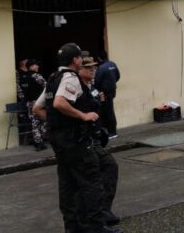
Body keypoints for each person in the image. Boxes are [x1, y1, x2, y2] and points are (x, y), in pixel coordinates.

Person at [41, 44, 121, 233]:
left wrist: (58, 122)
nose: (92, 69)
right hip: (76, 139)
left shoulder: (53, 78)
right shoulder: (70, 77)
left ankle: (73, 227)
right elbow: (59, 103)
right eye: (85, 63)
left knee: (68, 184)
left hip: (60, 138)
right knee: (91, 181)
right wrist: (82, 116)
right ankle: (95, 226)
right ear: (75, 60)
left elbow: (39, 108)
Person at [19, 59, 48, 151]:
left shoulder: (23, 77)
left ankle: (38, 142)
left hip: (29, 103)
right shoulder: (36, 76)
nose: (38, 66)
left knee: (34, 123)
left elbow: (22, 91)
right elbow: (47, 86)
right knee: (45, 120)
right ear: (31, 66)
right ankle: (41, 140)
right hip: (39, 103)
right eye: (36, 65)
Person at [95, 51, 121, 137]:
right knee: (110, 110)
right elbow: (118, 76)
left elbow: (97, 81)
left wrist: (96, 89)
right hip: (112, 90)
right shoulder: (113, 64)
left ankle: (111, 132)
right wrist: (112, 83)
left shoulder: (101, 68)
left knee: (107, 112)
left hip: (104, 92)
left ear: (99, 58)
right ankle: (111, 131)